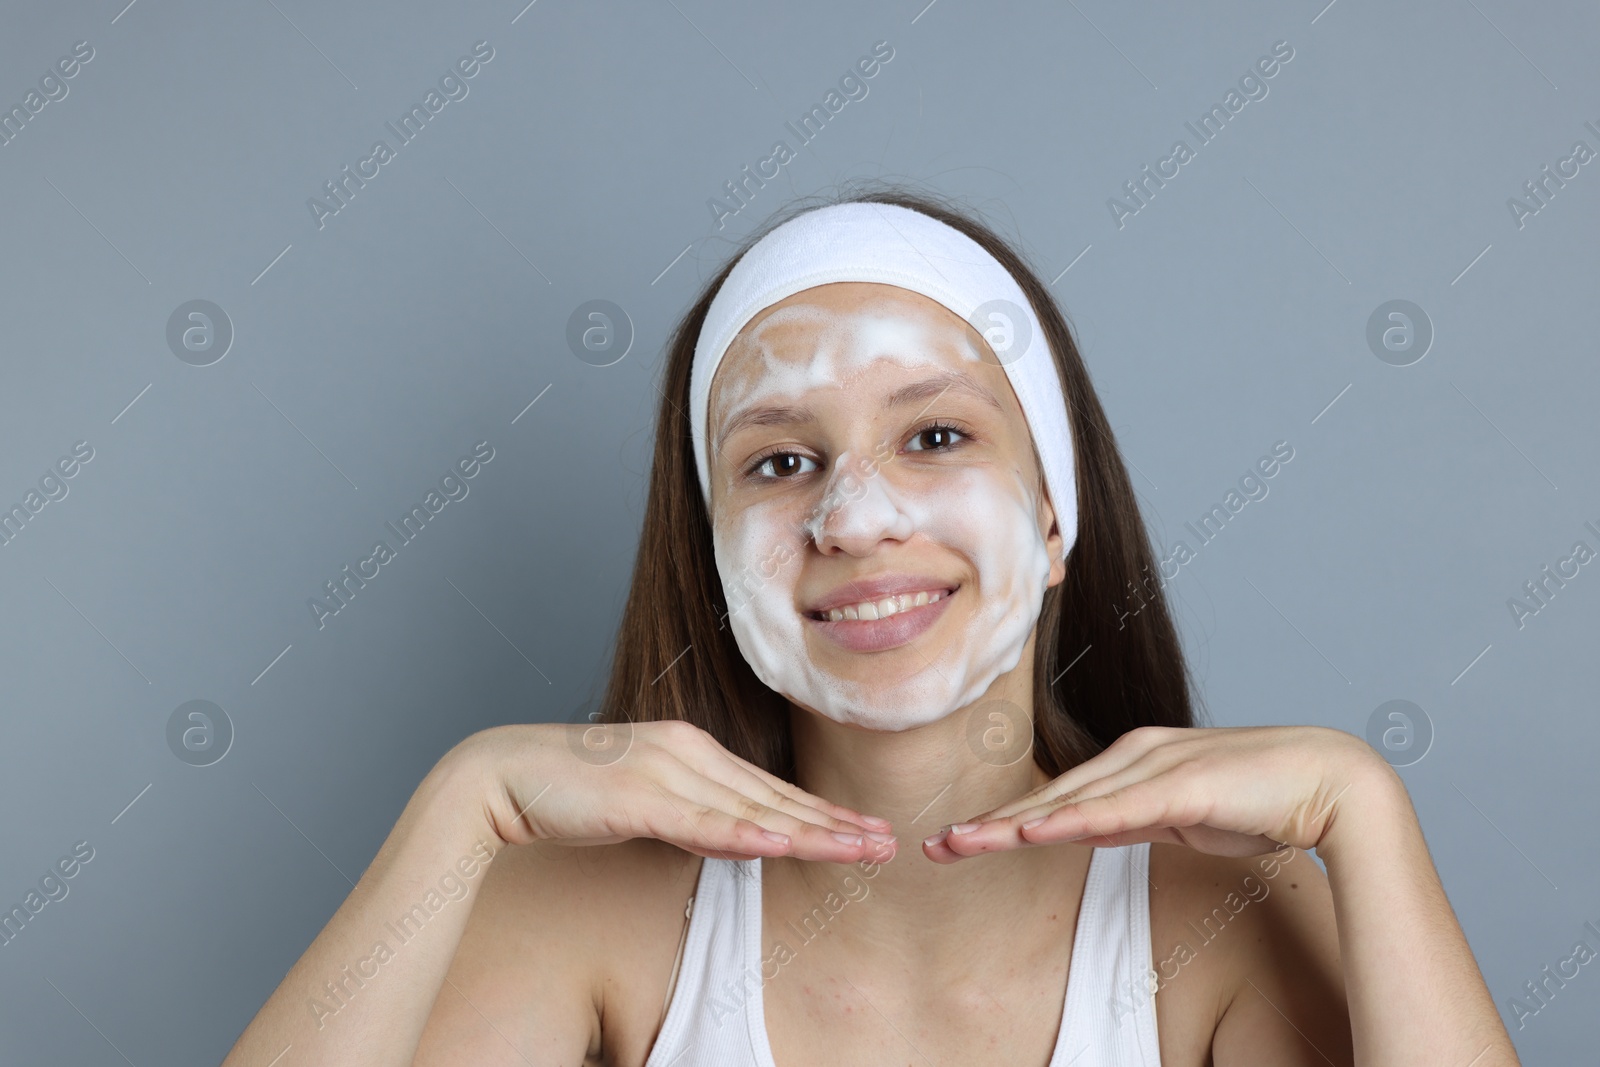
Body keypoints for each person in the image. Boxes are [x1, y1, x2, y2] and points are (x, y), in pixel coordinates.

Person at [221, 186, 1519, 1066]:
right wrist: (462, 807)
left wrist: (1366, 813)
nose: (853, 514)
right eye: (779, 464)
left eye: (936, 436)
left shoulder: (1219, 916)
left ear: (1055, 515)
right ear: (718, 554)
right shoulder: (583, 918)